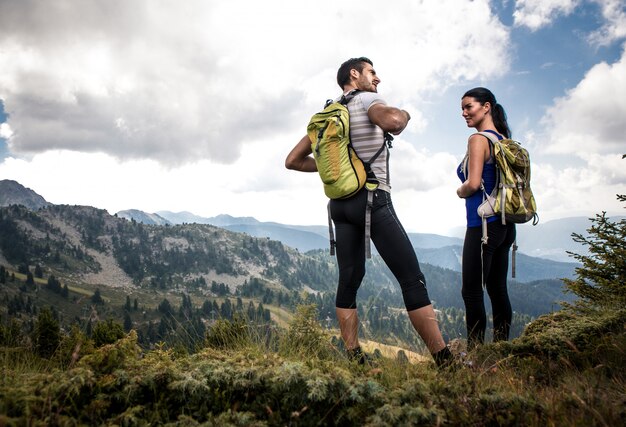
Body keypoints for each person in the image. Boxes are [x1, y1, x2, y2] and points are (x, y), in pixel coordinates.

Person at [286, 57, 452, 367]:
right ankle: (445, 362)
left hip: (339, 206)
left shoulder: (328, 114)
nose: (377, 79)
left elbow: (293, 160)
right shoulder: (368, 100)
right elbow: (393, 123)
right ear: (354, 74)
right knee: (412, 279)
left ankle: (354, 357)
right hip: (373, 200)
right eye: (372, 72)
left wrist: (329, 171)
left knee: (350, 278)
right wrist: (406, 113)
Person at [456, 87, 516, 349]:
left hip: (482, 227)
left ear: (486, 107)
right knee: (497, 289)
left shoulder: (479, 140)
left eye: (469, 107)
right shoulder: (505, 140)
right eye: (463, 108)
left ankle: (476, 354)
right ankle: (501, 350)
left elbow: (473, 183)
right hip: (506, 225)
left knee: (471, 291)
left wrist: (460, 190)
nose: (464, 113)